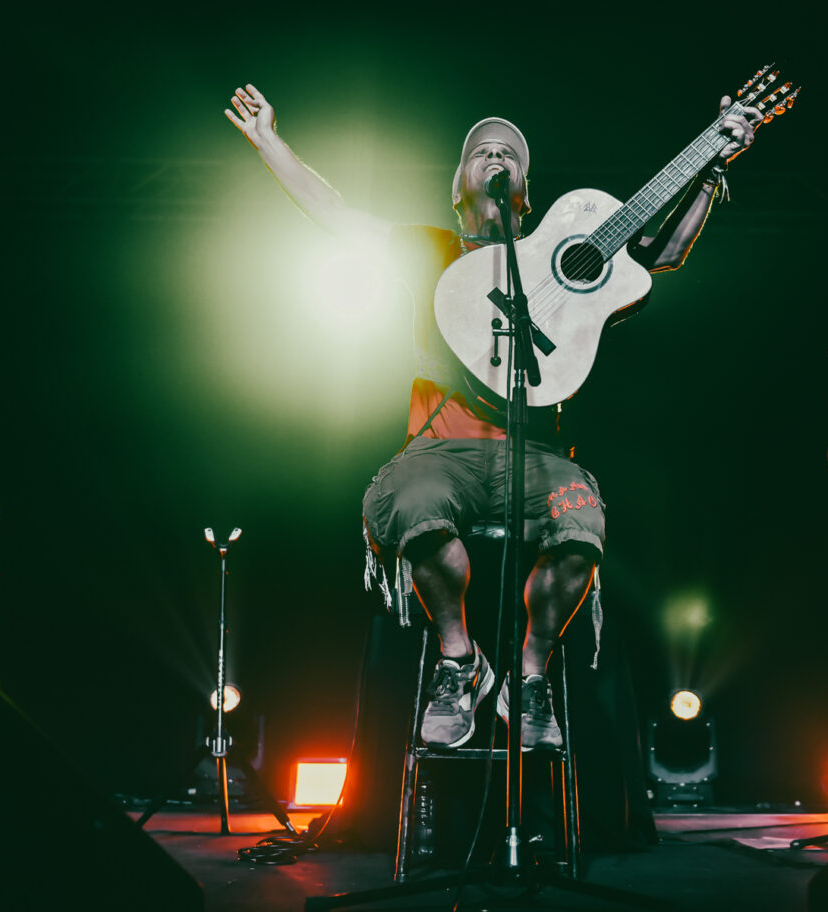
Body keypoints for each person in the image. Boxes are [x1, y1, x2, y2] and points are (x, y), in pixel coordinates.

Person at [225, 83, 761, 753]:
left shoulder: (566, 262)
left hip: (538, 458)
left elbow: (658, 251)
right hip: (440, 454)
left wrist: (712, 166)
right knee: (415, 501)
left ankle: (530, 674)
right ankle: (459, 661)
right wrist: (271, 141)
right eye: (483, 152)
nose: (496, 154)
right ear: (460, 185)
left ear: (528, 194)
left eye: (509, 151)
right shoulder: (430, 249)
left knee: (583, 517)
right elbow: (336, 215)